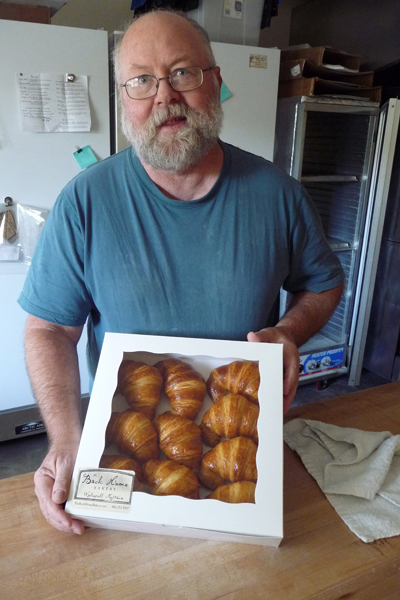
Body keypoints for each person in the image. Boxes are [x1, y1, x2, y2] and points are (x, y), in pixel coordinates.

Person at [18, 9, 344, 535]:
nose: (164, 95)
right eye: (141, 80)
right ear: (123, 100)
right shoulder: (84, 202)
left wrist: (288, 331)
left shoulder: (278, 196)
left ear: (215, 82)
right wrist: (66, 440)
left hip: (242, 452)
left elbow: (324, 284)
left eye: (182, 73)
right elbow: (49, 329)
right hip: (127, 453)